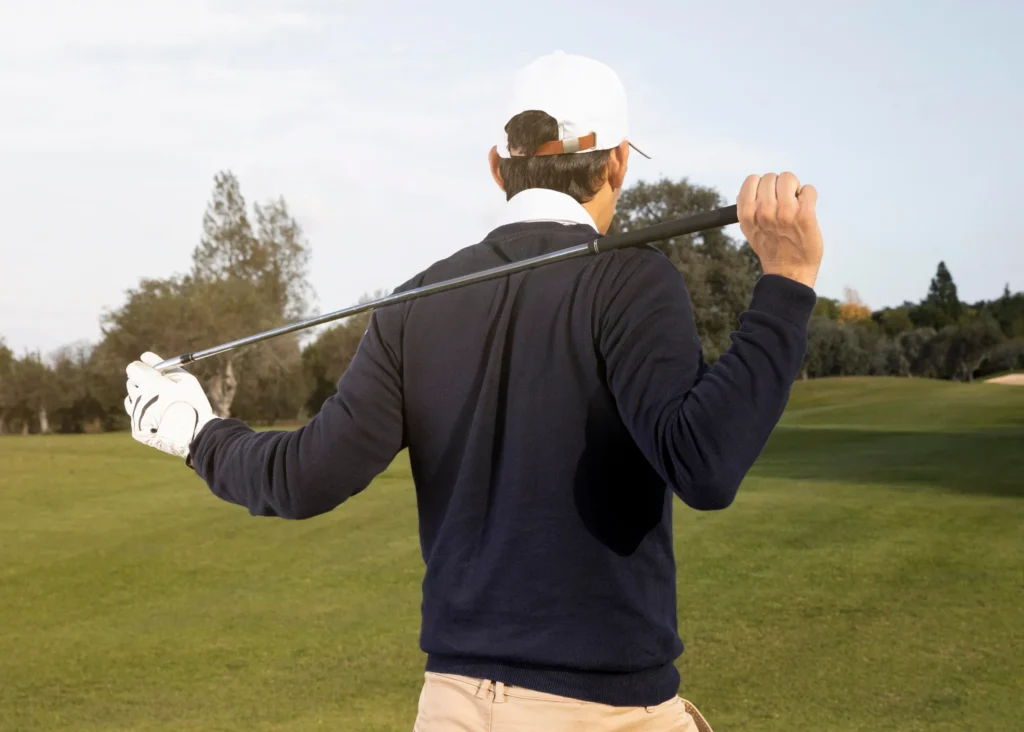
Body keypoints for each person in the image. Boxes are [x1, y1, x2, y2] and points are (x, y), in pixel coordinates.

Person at [124, 50, 822, 732]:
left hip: (452, 707)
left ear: (499, 167)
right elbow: (703, 465)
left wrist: (198, 432)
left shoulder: (413, 305)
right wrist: (786, 283)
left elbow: (304, 478)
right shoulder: (633, 282)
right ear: (618, 162)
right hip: (603, 711)